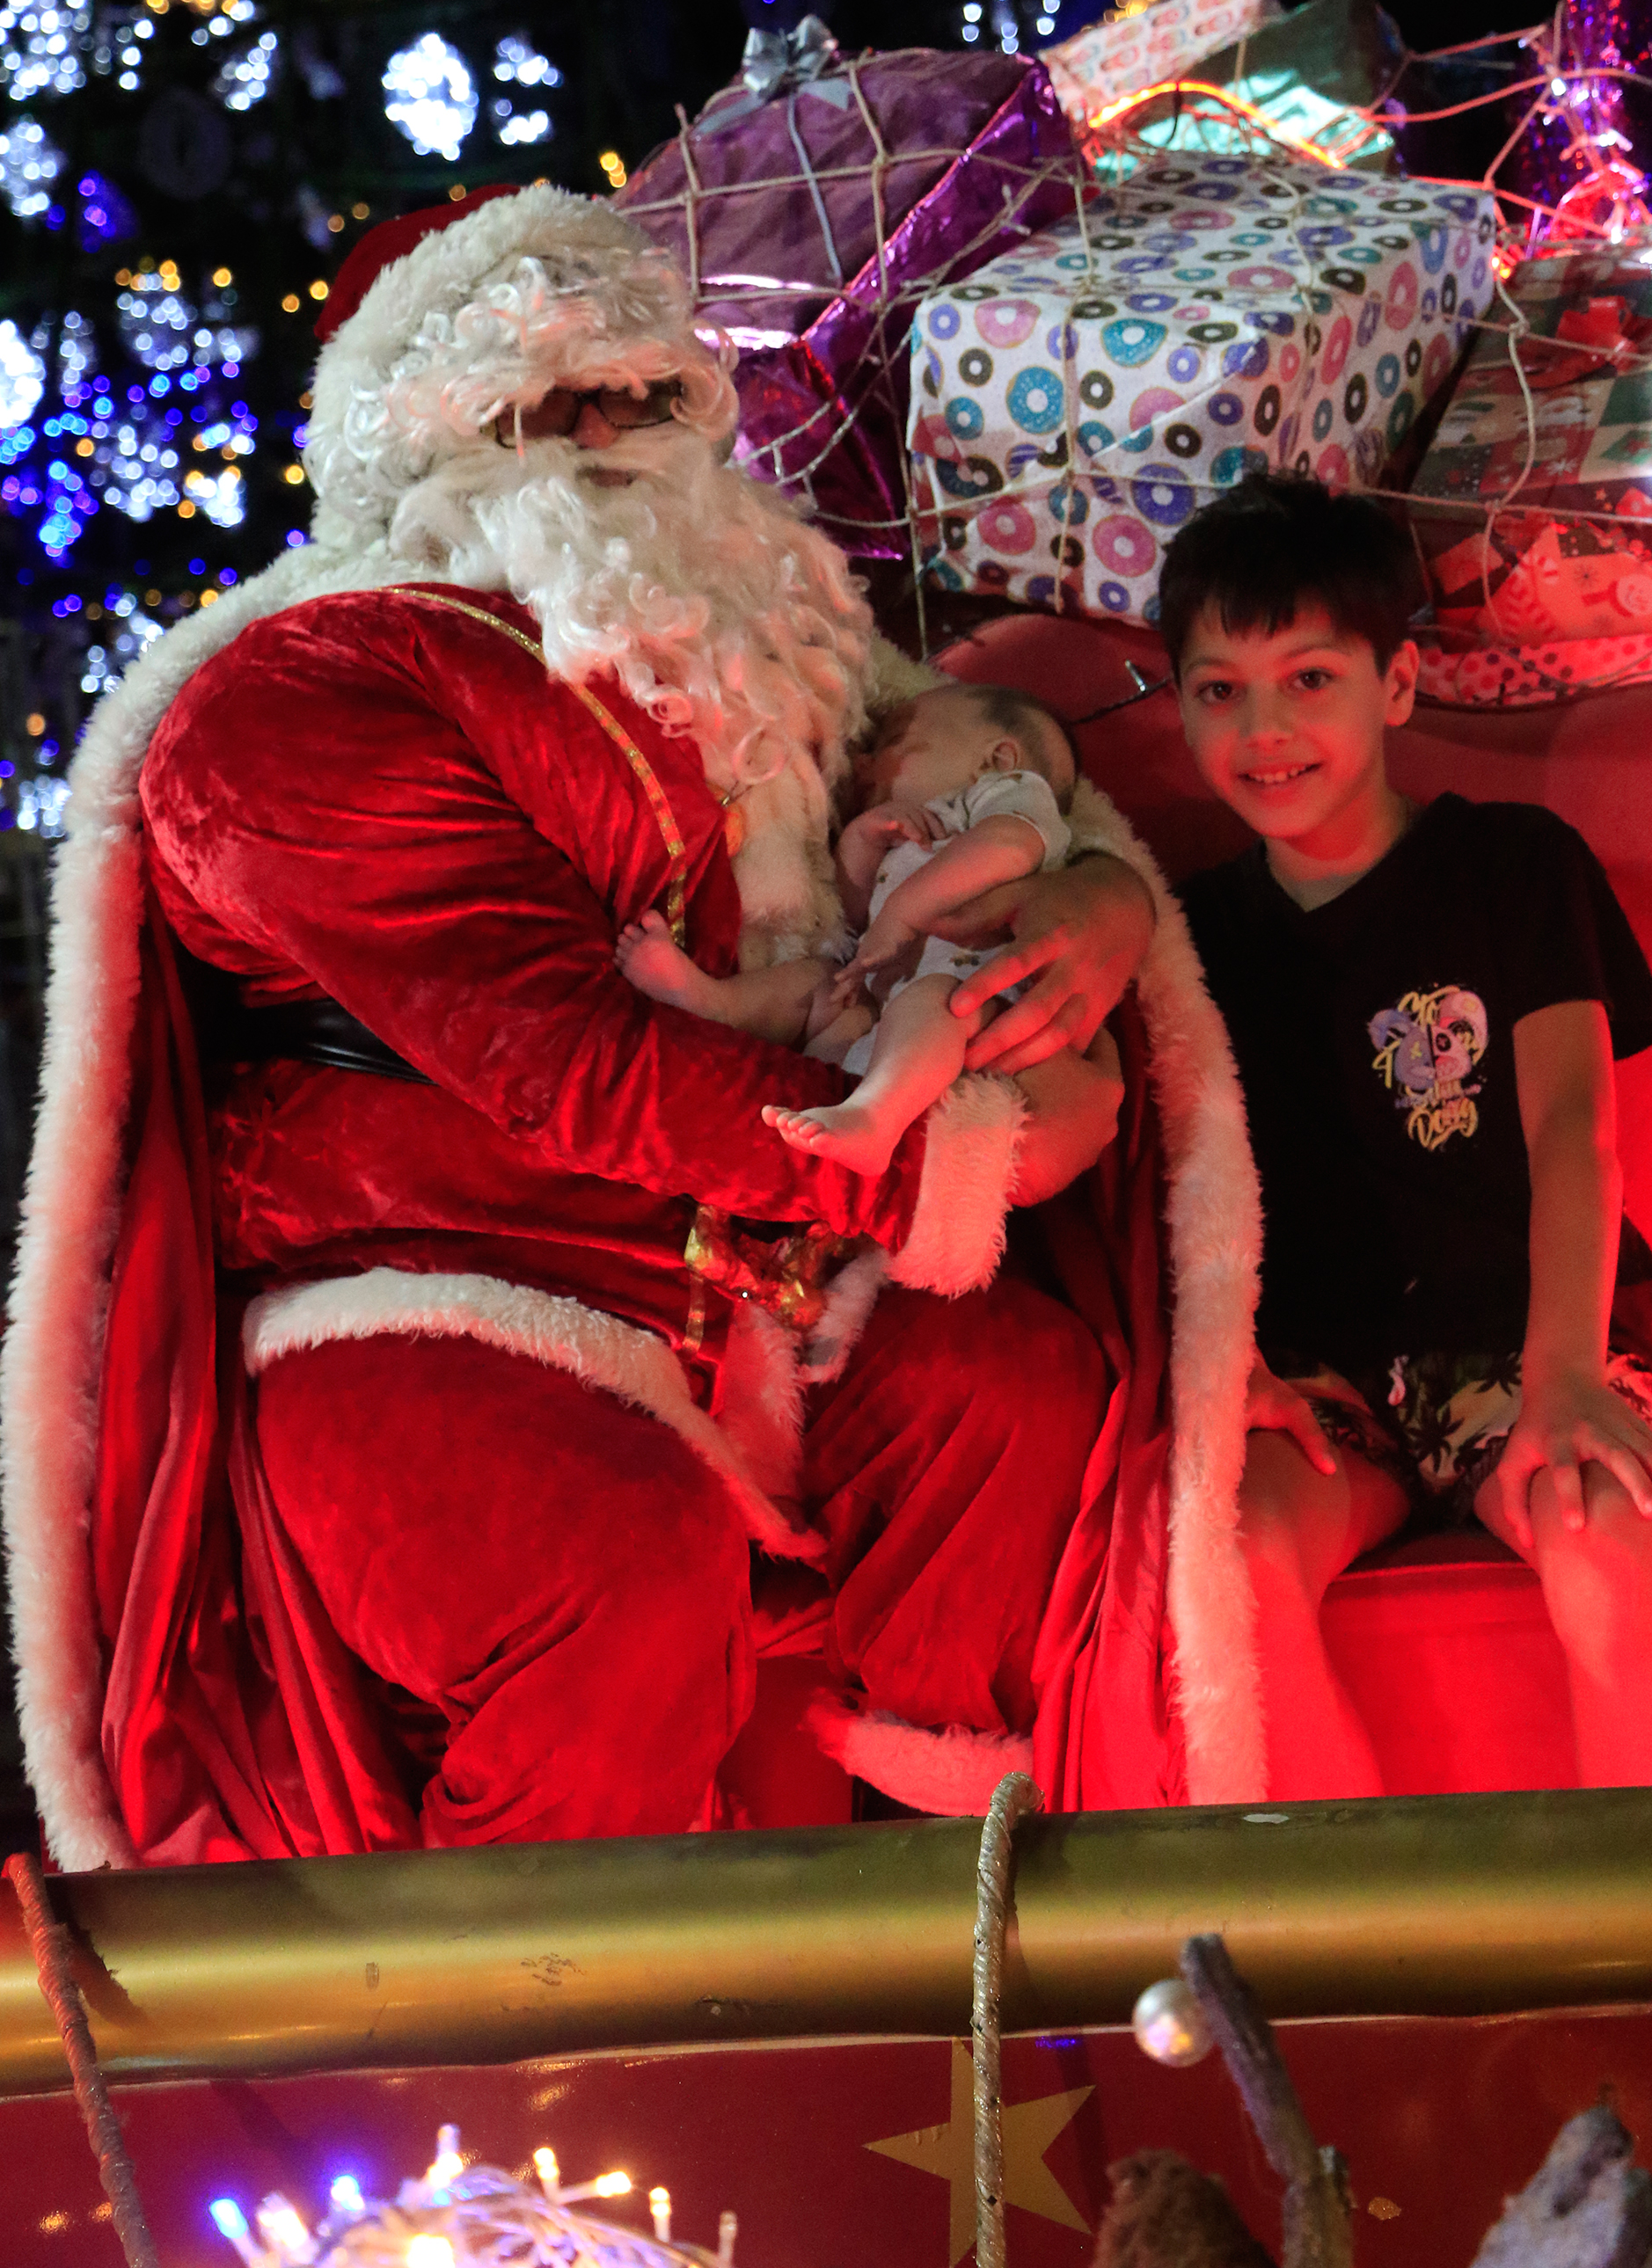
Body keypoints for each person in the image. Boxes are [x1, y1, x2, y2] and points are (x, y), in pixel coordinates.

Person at [1, 178, 1282, 1872]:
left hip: (763, 1286)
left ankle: (957, 1930)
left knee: (1021, 1395)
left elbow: (992, 778)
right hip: (439, 1289)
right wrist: (942, 1168)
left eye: (646, 394)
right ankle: (540, 2023)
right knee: (609, 1559)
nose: (609, 440)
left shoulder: (760, 651)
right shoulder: (299, 698)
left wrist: (1095, 905)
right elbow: (571, 1070)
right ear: (423, 438)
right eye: (545, 406)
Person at [1161, 474, 1652, 1798]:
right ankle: (1370, 1921)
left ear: (1396, 686)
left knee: (1603, 1521)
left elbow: (1572, 1124)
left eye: (1308, 680)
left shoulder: (1513, 866)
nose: (1264, 731)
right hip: (1320, 1376)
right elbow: (1176, 1188)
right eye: (1219, 690)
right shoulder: (1183, 934)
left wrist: (1566, 1375)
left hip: (1520, 1341)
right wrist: (1230, 1370)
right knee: (1230, 1554)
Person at [616, 682, 1079, 1176]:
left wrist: (904, 913)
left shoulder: (1010, 797)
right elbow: (855, 920)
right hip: (880, 1006)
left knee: (938, 999)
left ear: (997, 758)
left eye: (897, 742)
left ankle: (876, 1118)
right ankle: (714, 1003)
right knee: (819, 977)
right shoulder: (915, 830)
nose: (864, 764)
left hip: (975, 1003)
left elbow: (1008, 849)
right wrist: (860, 843)